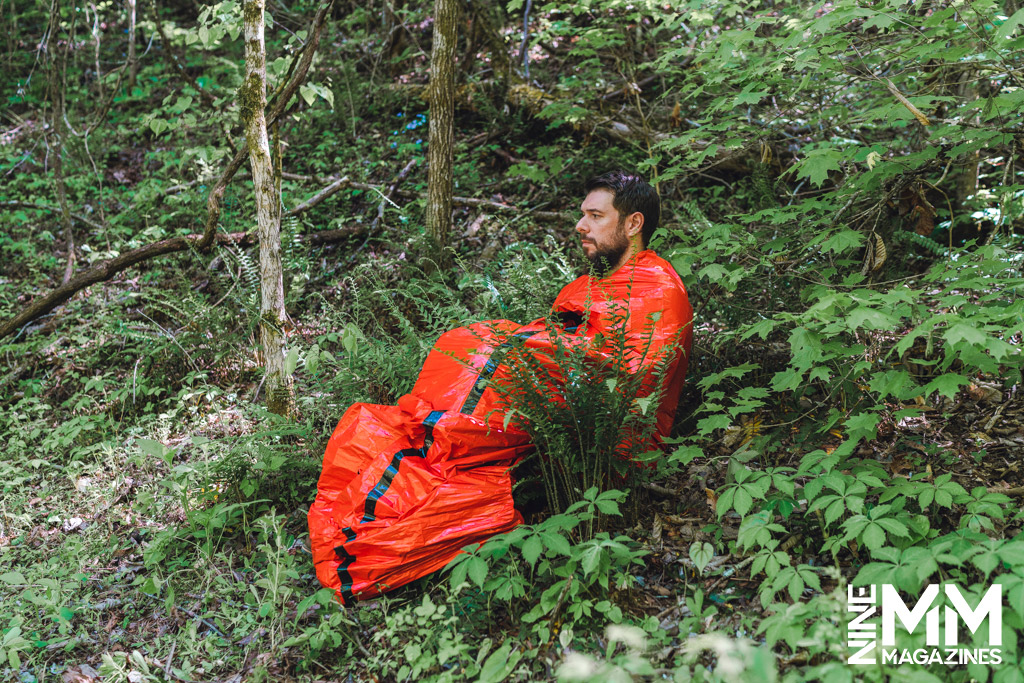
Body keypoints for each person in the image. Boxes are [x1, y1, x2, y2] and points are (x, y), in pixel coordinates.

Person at [307, 171, 693, 603]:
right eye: (581, 215)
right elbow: (559, 345)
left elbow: (630, 373)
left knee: (481, 370)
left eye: (594, 216)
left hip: (599, 446)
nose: (580, 226)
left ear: (633, 224)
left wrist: (528, 353)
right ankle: (435, 436)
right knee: (460, 351)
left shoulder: (658, 288)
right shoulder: (587, 286)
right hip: (544, 420)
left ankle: (441, 443)